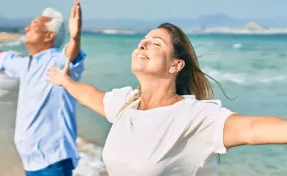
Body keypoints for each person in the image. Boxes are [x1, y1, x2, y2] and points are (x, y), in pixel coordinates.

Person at [46, 22, 286, 176]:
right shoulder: (126, 104)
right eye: (143, 41)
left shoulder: (196, 117)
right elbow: (91, 95)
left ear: (176, 65)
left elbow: (254, 129)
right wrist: (64, 80)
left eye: (155, 43)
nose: (143, 44)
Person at [0, 0, 86, 176]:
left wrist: (75, 36)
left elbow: (71, 54)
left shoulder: (57, 61)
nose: (26, 29)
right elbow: (4, 59)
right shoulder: (26, 64)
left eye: (33, 25)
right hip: (30, 162)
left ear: (49, 36)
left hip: (54, 161)